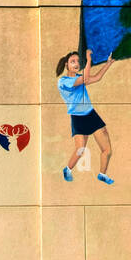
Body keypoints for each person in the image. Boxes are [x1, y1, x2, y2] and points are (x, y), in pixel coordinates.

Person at [55, 49, 115, 184]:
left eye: (78, 61)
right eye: (72, 61)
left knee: (107, 150)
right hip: (78, 118)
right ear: (66, 65)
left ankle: (102, 174)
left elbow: (96, 78)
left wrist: (108, 64)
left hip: (91, 115)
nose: (76, 64)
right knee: (80, 149)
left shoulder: (78, 79)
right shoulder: (63, 81)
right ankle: (68, 169)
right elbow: (86, 78)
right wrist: (88, 60)